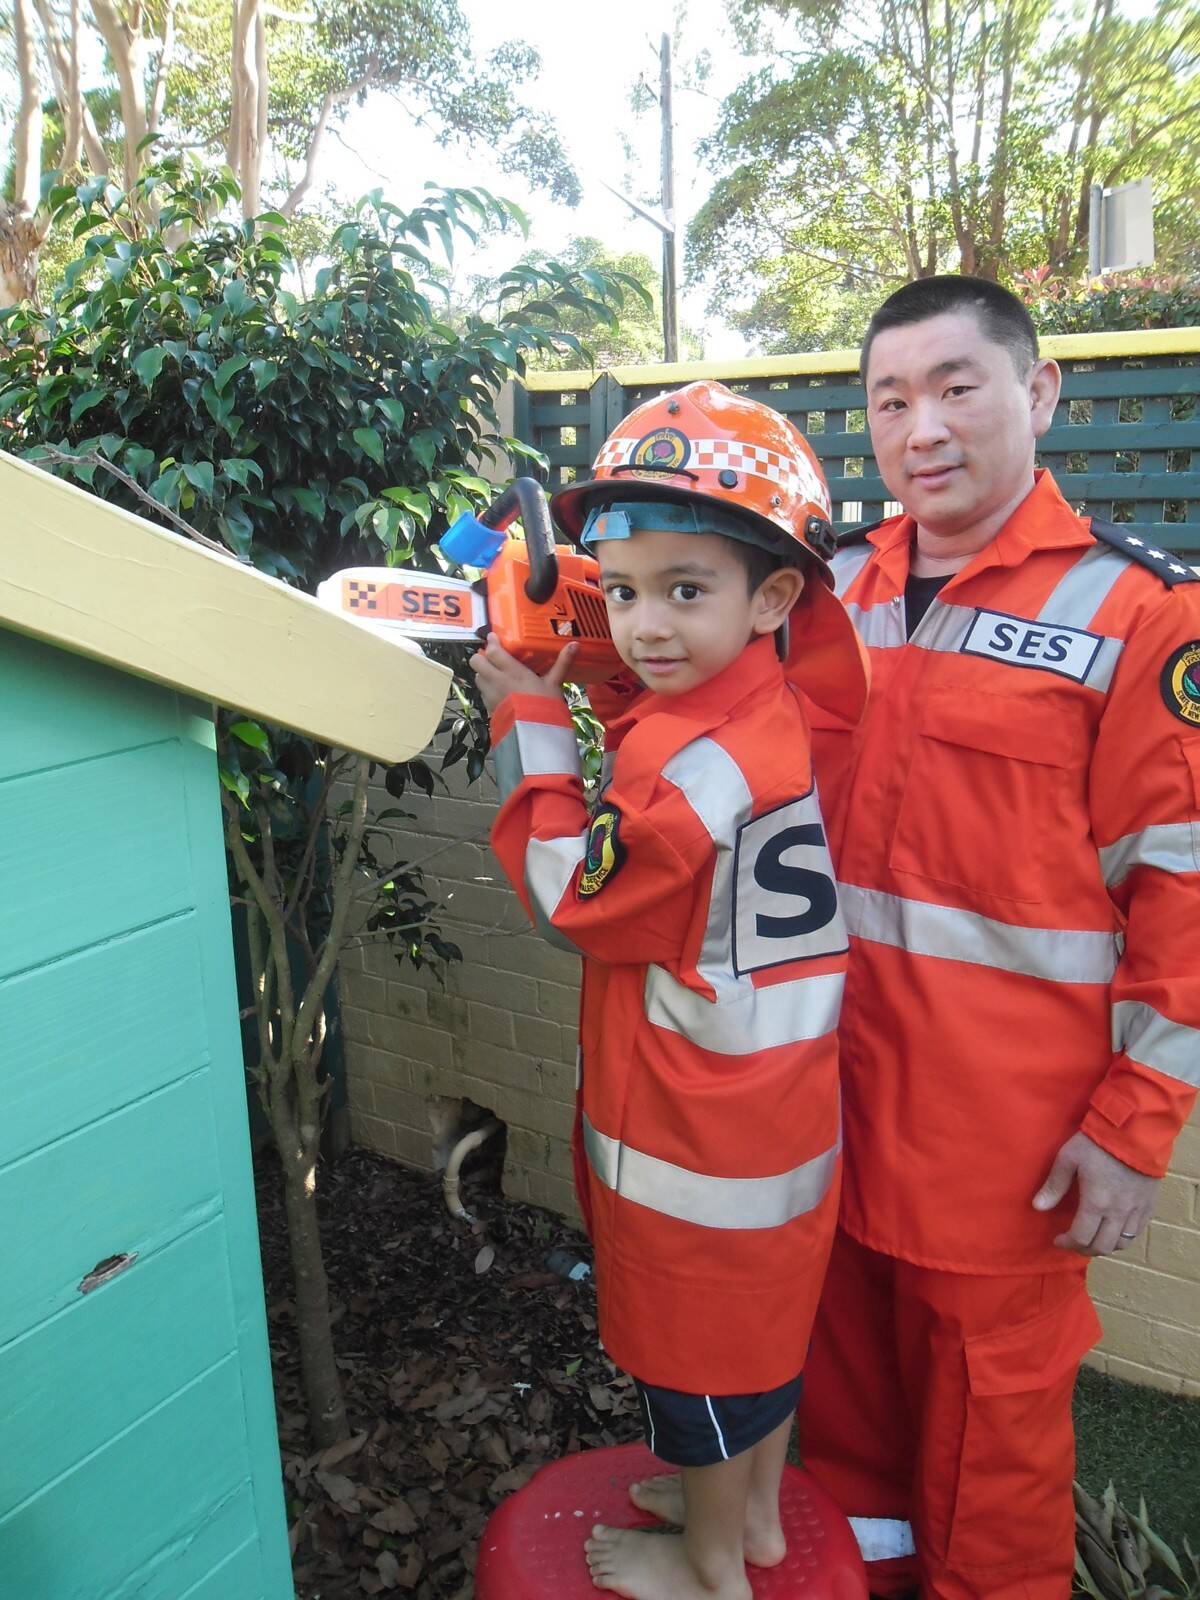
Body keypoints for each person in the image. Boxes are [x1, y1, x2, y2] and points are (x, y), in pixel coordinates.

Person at [793, 274, 1200, 1600]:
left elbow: (1184, 902)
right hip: (824, 1121)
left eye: (957, 385)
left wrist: (1132, 1125)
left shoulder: (1139, 617)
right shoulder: (828, 593)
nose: (922, 427)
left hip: (1004, 1161)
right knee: (849, 1461)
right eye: (891, 398)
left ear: (1039, 394)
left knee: (991, 1488)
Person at [470, 381, 868, 1600]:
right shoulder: (762, 707)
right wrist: (594, 648)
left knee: (698, 1365)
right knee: (760, 1354)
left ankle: (706, 1568)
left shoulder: (691, 775)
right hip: (776, 1124)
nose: (646, 625)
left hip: (698, 1149)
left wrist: (528, 720)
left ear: (776, 596)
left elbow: (566, 897)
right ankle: (744, 1518)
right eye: (625, 590)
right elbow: (656, 705)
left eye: (685, 592)